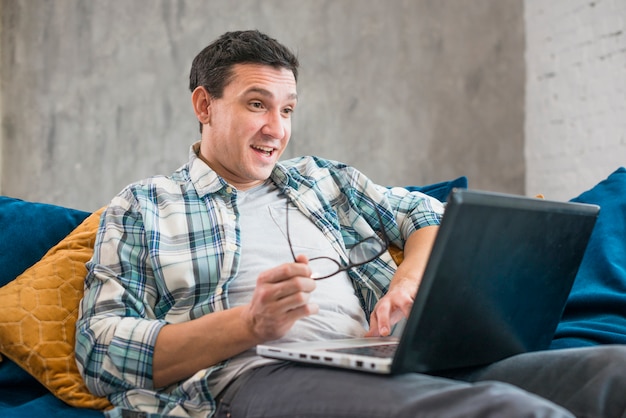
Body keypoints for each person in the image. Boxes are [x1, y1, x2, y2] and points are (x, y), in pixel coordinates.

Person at [76, 30, 626, 418]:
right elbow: (100, 353)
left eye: (287, 109)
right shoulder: (145, 207)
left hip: (391, 358)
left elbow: (425, 215)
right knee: (507, 412)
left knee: (613, 376)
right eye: (257, 104)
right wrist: (251, 325)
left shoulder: (321, 180)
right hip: (255, 381)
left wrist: (406, 284)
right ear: (205, 104)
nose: (276, 128)